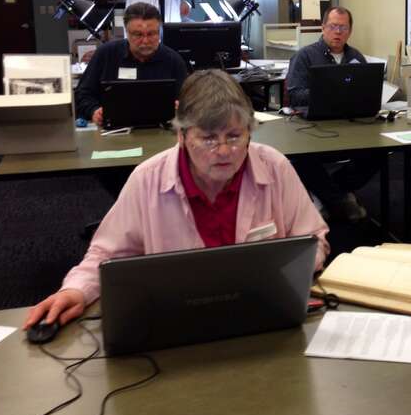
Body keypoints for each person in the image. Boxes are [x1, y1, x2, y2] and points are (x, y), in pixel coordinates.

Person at [24, 70, 330, 329]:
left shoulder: (274, 167)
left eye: (235, 137)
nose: (223, 151)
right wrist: (76, 291)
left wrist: (289, 272)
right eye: (208, 138)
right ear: (181, 135)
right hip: (178, 324)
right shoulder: (149, 179)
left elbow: (314, 238)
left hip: (261, 316)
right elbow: (105, 255)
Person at [286, 6, 383, 222]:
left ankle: (331, 194)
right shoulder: (305, 56)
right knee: (303, 158)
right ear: (323, 27)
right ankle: (339, 200)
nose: (337, 32)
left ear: (350, 31)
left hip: (351, 127)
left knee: (377, 153)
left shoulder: (356, 57)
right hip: (313, 129)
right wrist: (325, 93)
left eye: (343, 27)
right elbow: (295, 95)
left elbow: (366, 92)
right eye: (332, 26)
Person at [75, 2, 188, 126]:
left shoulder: (173, 61)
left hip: (161, 130)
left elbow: (188, 102)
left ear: (159, 31)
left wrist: (181, 108)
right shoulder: (106, 54)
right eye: (138, 34)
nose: (145, 41)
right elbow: (82, 94)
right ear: (126, 32)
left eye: (151, 34)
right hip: (114, 132)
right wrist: (94, 111)